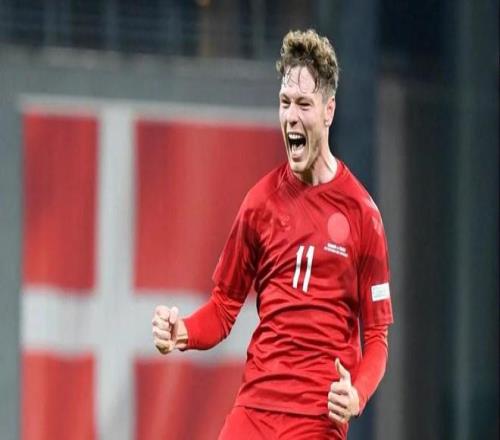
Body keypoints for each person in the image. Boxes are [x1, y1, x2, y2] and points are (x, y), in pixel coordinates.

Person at [152, 29, 393, 439]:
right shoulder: (260, 203)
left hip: (316, 420)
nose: (291, 116)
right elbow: (223, 308)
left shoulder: (362, 215)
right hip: (255, 410)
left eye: (304, 104)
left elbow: (376, 337)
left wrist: (356, 395)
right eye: (285, 103)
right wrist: (183, 332)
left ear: (329, 110)